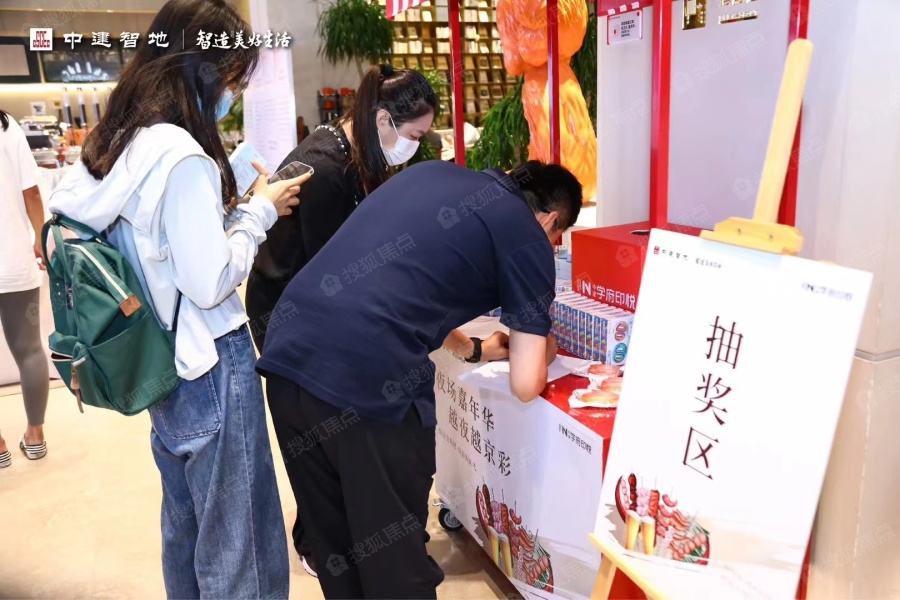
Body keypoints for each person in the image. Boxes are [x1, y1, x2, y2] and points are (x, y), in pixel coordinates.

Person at [47, 0, 308, 596]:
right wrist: (259, 213)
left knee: (187, 531)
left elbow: (155, 247)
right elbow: (209, 281)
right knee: (240, 545)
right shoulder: (181, 155)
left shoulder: (117, 140)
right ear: (202, 70)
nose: (234, 92)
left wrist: (225, 204)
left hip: (160, 362)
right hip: (210, 360)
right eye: (233, 78)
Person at [258, 159, 581, 599]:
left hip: (288, 356)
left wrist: (472, 349)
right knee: (395, 564)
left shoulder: (432, 175)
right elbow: (526, 383)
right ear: (550, 220)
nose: (552, 247)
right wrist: (545, 346)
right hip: (367, 377)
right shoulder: (527, 235)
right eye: (557, 239)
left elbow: (405, 283)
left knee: (337, 547)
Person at [246, 63, 436, 577]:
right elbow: (334, 269)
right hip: (289, 319)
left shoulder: (354, 153)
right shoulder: (325, 169)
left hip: (311, 310)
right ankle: (316, 539)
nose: (416, 146)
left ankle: (337, 529)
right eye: (415, 135)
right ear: (383, 120)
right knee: (320, 431)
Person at [0, 109, 50, 469]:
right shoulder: (7, 127)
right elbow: (31, 191)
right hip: (15, 261)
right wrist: (39, 238)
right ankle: (36, 436)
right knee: (30, 350)